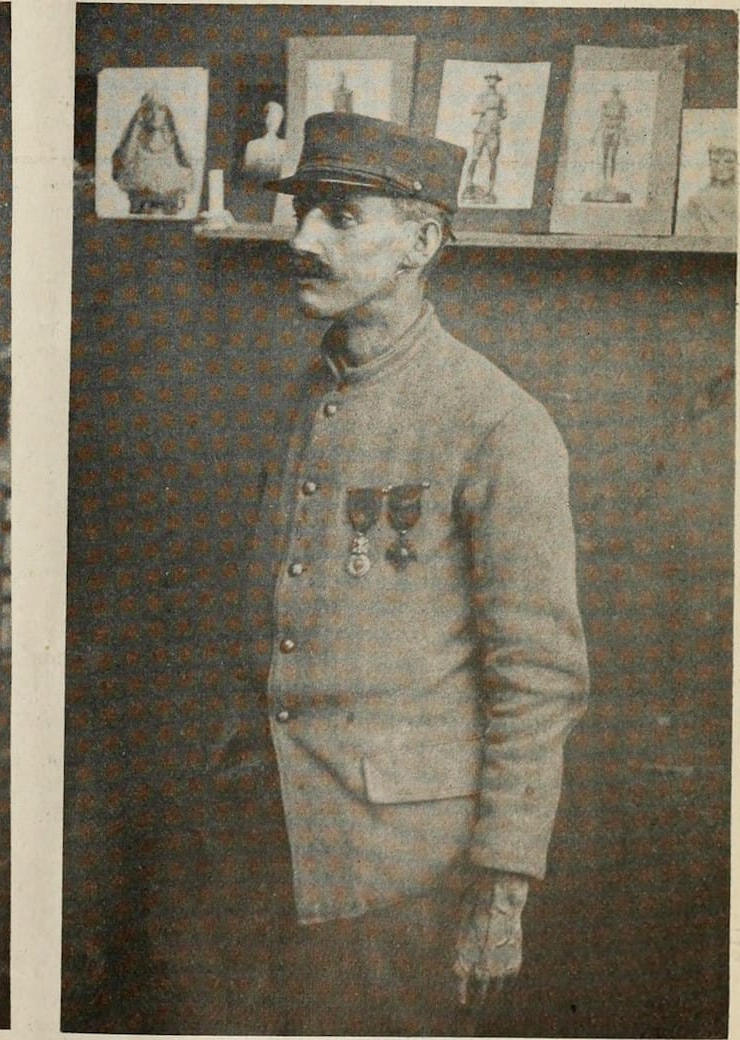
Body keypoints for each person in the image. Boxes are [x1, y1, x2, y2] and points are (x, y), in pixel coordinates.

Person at [205, 113, 589, 1035]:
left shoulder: (499, 422)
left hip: (403, 873)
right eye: (302, 212)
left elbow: (538, 679)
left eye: (339, 216)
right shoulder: (315, 393)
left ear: (421, 242)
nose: (300, 240)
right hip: (269, 841)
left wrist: (501, 894)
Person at [112, 90, 193, 215]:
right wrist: (135, 126)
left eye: (160, 109)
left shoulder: (174, 143)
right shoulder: (135, 143)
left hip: (169, 208)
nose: (155, 114)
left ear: (167, 113)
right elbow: (123, 161)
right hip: (141, 209)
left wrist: (176, 129)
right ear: (142, 113)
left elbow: (188, 162)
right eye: (149, 109)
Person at [676, 140, 737, 237]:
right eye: (716, 161)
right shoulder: (697, 201)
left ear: (737, 164)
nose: (721, 166)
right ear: (710, 163)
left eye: (728, 161)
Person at [463, 71, 507, 203]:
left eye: (493, 79)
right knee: (475, 157)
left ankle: (490, 189)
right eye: (489, 79)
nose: (491, 81)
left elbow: (504, 113)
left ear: (497, 81)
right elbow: (473, 110)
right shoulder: (482, 95)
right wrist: (483, 109)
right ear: (487, 80)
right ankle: (468, 184)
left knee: (493, 161)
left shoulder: (501, 96)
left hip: (493, 132)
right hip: (481, 130)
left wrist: (496, 118)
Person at [242, 100, 287, 183]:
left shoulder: (285, 145)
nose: (273, 121)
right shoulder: (252, 145)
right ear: (265, 119)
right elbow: (248, 173)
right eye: (270, 117)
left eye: (277, 117)